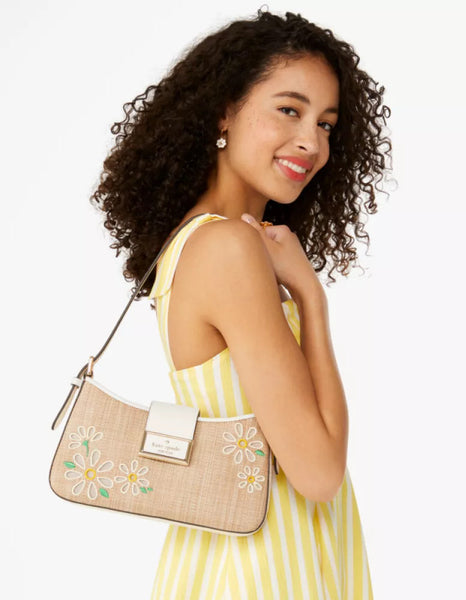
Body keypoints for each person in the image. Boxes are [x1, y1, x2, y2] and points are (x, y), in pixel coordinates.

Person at [90, 7, 394, 599]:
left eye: (327, 124)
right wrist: (311, 298)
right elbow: (319, 474)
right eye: (289, 110)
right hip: (262, 566)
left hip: (247, 552)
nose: (311, 142)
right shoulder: (227, 248)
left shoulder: (202, 240)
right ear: (224, 110)